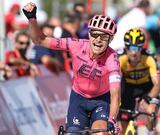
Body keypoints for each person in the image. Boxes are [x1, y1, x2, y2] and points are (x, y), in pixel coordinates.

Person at [22, 2, 121, 134]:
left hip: (101, 101)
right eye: (95, 34)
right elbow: (39, 40)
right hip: (78, 98)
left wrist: (112, 120)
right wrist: (32, 19)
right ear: (90, 34)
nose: (98, 40)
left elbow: (115, 94)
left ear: (111, 39)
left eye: (104, 37)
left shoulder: (112, 58)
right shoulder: (76, 45)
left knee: (100, 132)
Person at [118, 28, 160, 134]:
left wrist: (148, 98)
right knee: (122, 128)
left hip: (147, 89)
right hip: (128, 89)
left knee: (151, 113)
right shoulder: (120, 58)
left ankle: (150, 131)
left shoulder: (149, 58)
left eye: (137, 48)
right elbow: (113, 83)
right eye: (131, 48)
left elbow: (158, 85)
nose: (134, 52)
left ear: (142, 47)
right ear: (126, 47)